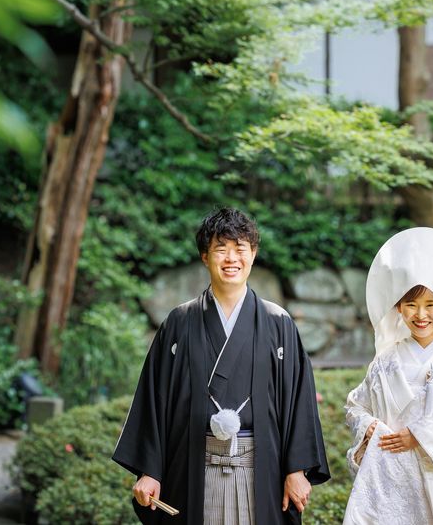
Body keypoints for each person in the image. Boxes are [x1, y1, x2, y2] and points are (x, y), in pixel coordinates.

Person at [113, 207, 330, 524]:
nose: (231, 258)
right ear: (205, 256)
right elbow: (154, 398)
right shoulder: (179, 323)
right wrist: (150, 470)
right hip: (191, 468)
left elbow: (300, 401)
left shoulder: (278, 324)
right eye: (221, 249)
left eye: (240, 249)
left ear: (253, 254)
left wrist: (296, 469)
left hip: (263, 472)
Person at [344, 227, 433, 525]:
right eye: (411, 305)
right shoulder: (385, 361)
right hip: (388, 483)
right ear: (399, 308)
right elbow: (355, 406)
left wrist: (420, 436)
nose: (421, 315)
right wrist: (370, 426)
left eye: (431, 305)